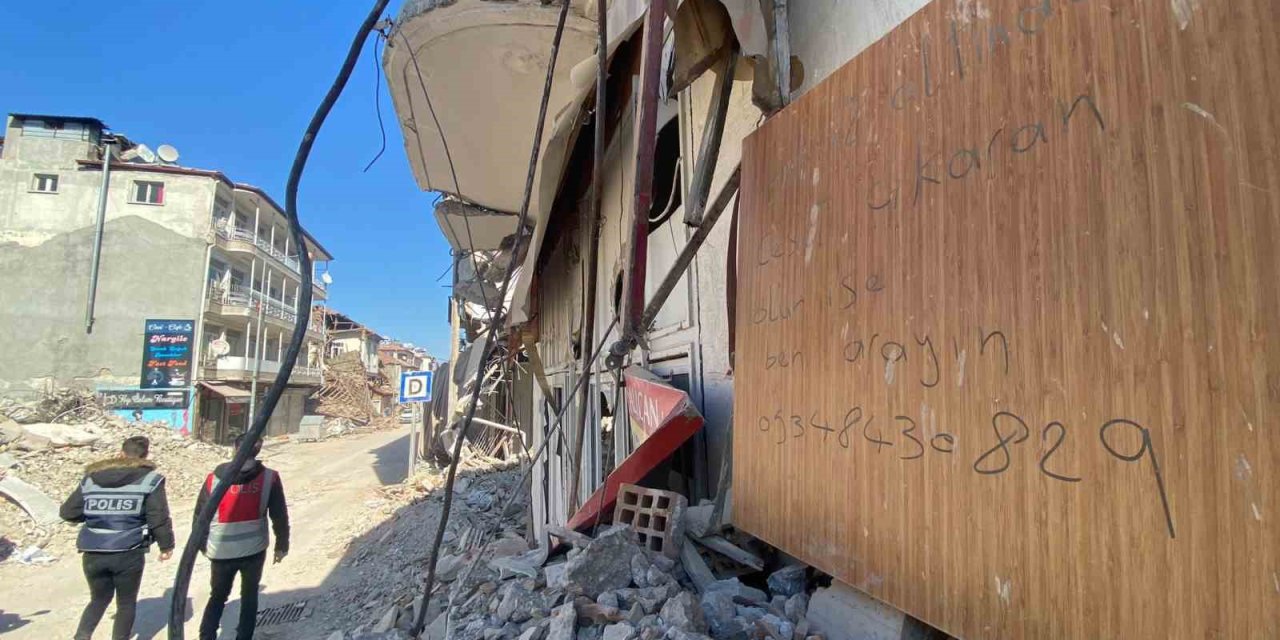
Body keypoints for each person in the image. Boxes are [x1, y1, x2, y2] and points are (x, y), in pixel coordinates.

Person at [60, 435, 174, 640]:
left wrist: (97, 515)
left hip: (93, 550)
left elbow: (68, 512)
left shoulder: (91, 479)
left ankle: (81, 636)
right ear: (145, 456)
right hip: (128, 552)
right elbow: (157, 517)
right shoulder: (150, 480)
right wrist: (166, 545)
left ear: (121, 454)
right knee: (126, 603)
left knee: (98, 599)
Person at [195, 434, 289, 640]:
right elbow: (279, 514)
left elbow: (200, 515)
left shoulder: (215, 478)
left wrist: (200, 544)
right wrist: (282, 544)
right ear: (258, 450)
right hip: (253, 549)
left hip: (220, 549)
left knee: (218, 596)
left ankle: (207, 636)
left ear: (235, 448)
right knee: (249, 596)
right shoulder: (268, 478)